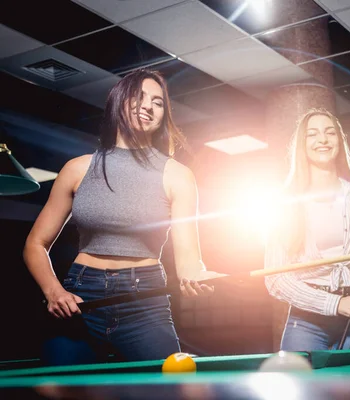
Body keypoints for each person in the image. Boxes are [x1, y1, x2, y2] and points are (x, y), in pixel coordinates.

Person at [23, 69, 220, 366]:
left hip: (144, 299)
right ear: (118, 102)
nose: (148, 106)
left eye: (157, 102)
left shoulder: (177, 175)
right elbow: (35, 244)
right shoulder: (77, 169)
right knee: (58, 390)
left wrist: (196, 276)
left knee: (170, 389)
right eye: (138, 97)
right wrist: (54, 292)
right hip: (80, 298)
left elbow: (189, 259)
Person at [264, 108, 350, 351]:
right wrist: (334, 303)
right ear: (301, 145)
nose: (323, 140)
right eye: (312, 134)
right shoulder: (284, 201)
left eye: (330, 133)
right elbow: (276, 279)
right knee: (301, 389)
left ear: (340, 140)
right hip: (307, 320)